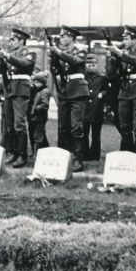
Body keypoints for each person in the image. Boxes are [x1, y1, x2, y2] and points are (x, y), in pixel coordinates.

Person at [106, 26, 136, 158]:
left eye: (127, 39)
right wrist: (112, 58)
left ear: (134, 40)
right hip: (125, 91)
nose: (124, 42)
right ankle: (125, 157)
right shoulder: (123, 53)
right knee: (124, 127)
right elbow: (111, 74)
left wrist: (119, 53)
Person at [49, 26, 90, 171]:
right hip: (65, 91)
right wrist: (53, 58)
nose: (62, 39)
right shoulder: (62, 52)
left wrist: (58, 53)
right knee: (63, 127)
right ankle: (62, 156)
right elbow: (55, 70)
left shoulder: (81, 50)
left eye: (64, 36)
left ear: (71, 37)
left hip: (78, 91)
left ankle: (78, 158)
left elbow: (75, 61)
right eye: (61, 37)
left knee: (75, 127)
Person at [0, 28, 36, 168]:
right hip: (9, 89)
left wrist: (7, 56)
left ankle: (22, 154)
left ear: (22, 40)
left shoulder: (29, 53)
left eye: (13, 39)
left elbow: (23, 64)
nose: (11, 42)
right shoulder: (10, 54)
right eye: (10, 40)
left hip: (20, 89)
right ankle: (13, 152)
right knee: (10, 124)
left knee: (19, 123)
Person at [83, 53, 109, 161]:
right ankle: (84, 154)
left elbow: (107, 90)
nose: (91, 66)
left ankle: (94, 155)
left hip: (96, 108)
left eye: (93, 64)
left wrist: (102, 94)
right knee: (84, 133)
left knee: (95, 134)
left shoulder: (102, 78)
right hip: (84, 109)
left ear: (97, 65)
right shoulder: (82, 77)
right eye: (89, 64)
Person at [29, 72, 51, 155]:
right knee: (41, 134)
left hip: (40, 117)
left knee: (38, 136)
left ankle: (37, 154)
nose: (35, 84)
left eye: (37, 82)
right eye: (35, 82)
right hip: (36, 116)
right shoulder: (38, 91)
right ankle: (46, 150)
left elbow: (45, 104)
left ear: (43, 82)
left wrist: (37, 109)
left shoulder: (44, 91)